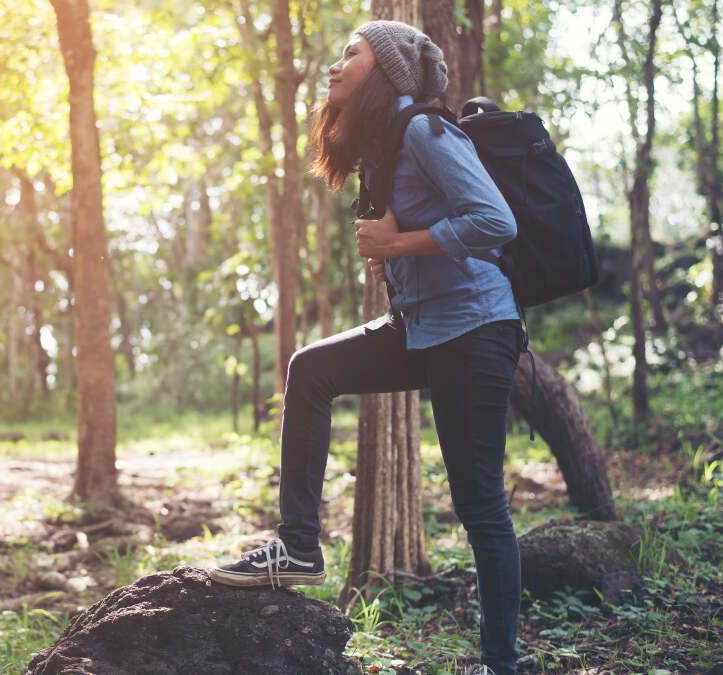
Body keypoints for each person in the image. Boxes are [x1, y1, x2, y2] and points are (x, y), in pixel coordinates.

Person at [207, 19, 524, 675]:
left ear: (386, 72)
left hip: (475, 327)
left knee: (479, 505)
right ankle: (298, 545)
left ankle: (500, 662)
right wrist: (393, 266)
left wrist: (396, 245)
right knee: (311, 369)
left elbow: (496, 220)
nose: (333, 66)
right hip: (423, 326)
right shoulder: (380, 148)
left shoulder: (425, 130)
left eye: (350, 54)